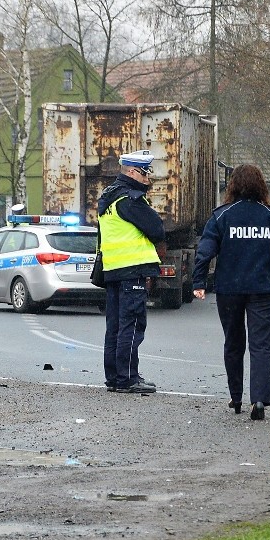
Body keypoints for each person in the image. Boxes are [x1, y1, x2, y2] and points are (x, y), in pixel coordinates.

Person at [192, 164, 270, 420]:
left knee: (233, 342)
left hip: (229, 289)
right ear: (261, 185)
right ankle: (258, 400)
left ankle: (236, 397)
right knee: (261, 345)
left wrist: (198, 282)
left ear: (233, 186)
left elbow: (204, 252)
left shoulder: (221, 215)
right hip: (262, 289)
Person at [97, 150, 166, 394]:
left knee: (114, 326)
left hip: (114, 270)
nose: (148, 180)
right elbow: (157, 229)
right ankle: (128, 378)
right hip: (132, 270)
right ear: (133, 172)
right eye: (146, 175)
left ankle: (114, 377)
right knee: (132, 324)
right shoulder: (129, 199)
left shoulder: (108, 197)